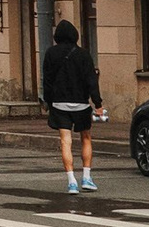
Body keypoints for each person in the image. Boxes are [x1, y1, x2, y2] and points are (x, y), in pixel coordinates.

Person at [43, 19, 104, 193]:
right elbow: (92, 81)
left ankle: (71, 182)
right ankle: (87, 178)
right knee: (86, 138)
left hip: (59, 104)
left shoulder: (51, 53)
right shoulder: (83, 54)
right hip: (81, 105)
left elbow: (47, 80)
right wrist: (98, 104)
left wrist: (48, 102)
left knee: (65, 142)